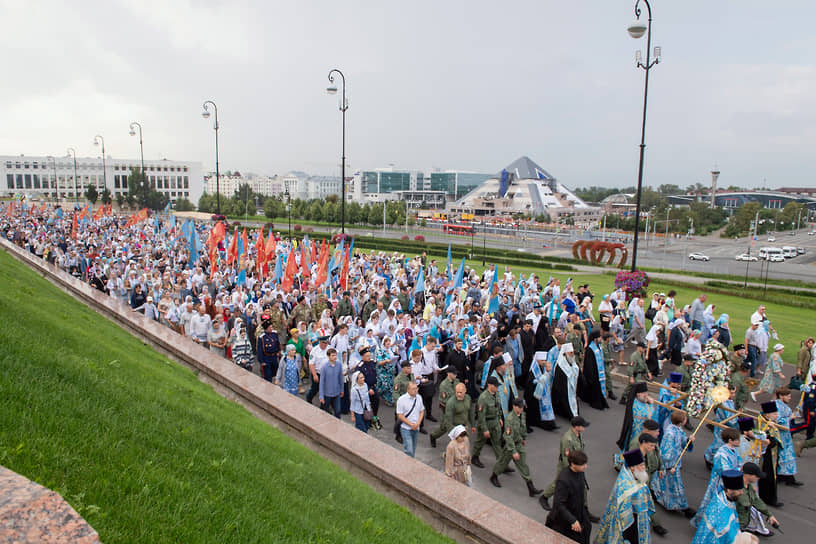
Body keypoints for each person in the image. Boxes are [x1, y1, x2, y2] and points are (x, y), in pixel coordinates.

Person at [595, 449, 655, 544]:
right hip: (630, 523)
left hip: (639, 518)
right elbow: (624, 514)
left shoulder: (638, 476)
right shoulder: (625, 486)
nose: (644, 468)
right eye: (641, 465)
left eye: (644, 465)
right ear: (632, 468)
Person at [489, 398, 543, 497]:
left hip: (518, 443)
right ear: (514, 406)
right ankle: (494, 476)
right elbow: (507, 436)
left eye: (522, 407)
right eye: (520, 407)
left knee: (523, 465)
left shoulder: (522, 415)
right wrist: (513, 451)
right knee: (502, 462)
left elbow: (523, 428)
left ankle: (531, 488)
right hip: (511, 445)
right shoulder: (509, 419)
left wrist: (523, 438)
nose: (522, 409)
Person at [693, 428, 743, 528]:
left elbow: (739, 462)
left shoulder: (733, 451)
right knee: (716, 504)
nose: (739, 441)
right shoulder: (721, 454)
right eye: (737, 439)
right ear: (730, 440)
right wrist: (739, 469)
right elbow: (725, 471)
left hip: (729, 482)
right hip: (720, 484)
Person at [691, 470, 758, 544]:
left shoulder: (727, 498)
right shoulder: (719, 510)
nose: (741, 493)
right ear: (729, 490)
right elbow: (720, 536)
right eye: (738, 490)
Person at [540, 416, 589, 512]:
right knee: (558, 484)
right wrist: (571, 471)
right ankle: (544, 497)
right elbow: (566, 457)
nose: (584, 427)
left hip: (578, 465)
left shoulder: (578, 435)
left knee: (583, 487)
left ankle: (585, 509)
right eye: (582, 426)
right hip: (568, 466)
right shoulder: (568, 439)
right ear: (576, 427)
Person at [653, 411, 697, 519]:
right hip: (670, 464)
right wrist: (670, 465)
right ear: (682, 421)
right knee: (673, 485)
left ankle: (678, 504)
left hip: (675, 463)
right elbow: (666, 452)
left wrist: (688, 440)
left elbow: (683, 443)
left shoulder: (678, 430)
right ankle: (681, 506)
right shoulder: (670, 433)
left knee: (674, 485)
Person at [544, 450, 592, 544]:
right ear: (573, 464)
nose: (585, 467)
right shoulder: (564, 480)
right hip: (564, 521)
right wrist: (572, 520)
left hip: (578, 512)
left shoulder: (580, 472)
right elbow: (559, 504)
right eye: (582, 464)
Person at [737, 462, 779, 538]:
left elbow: (756, 501)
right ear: (748, 475)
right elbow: (746, 502)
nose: (758, 478)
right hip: (734, 525)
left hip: (742, 524)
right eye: (756, 476)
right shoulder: (737, 489)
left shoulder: (749, 486)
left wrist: (769, 515)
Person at [471, 376, 504, 469]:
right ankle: (475, 457)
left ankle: (502, 463)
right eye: (495, 385)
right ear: (489, 385)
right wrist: (485, 429)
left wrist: (500, 418)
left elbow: (498, 407)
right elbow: (481, 416)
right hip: (486, 422)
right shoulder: (483, 398)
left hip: (495, 422)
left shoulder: (497, 393)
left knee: (497, 443)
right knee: (480, 442)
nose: (497, 387)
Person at [773, 386, 802, 487]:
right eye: (788, 396)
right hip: (781, 435)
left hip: (786, 435)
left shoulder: (783, 405)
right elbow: (778, 421)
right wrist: (790, 417)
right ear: (781, 396)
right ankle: (786, 477)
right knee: (782, 456)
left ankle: (786, 476)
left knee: (786, 456)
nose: (790, 398)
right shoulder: (777, 406)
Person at [616, 382, 655, 457]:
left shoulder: (643, 401)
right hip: (635, 431)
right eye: (644, 393)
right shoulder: (635, 403)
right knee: (634, 448)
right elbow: (648, 415)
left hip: (642, 430)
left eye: (647, 393)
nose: (646, 395)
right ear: (638, 394)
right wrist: (651, 405)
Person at [756, 401, 782, 507]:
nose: (777, 415)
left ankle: (769, 497)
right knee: (767, 475)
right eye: (774, 413)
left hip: (772, 454)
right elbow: (759, 436)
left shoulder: (769, 423)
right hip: (765, 455)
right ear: (767, 415)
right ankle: (768, 498)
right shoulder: (761, 424)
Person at [431, 382, 472, 448]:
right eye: (457, 392)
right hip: (453, 422)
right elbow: (448, 419)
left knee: (462, 444)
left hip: (463, 423)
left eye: (460, 392)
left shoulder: (468, 398)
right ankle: (433, 436)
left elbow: (469, 411)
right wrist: (453, 433)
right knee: (443, 429)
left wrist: (472, 424)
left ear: (465, 391)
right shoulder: (451, 402)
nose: (458, 394)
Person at [578, 329, 609, 410]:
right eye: (599, 337)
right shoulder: (590, 349)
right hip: (594, 373)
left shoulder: (599, 347)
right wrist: (591, 375)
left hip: (600, 372)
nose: (600, 339)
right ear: (595, 338)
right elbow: (589, 364)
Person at [526, 350, 557, 431]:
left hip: (543, 391)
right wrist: (537, 381)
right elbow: (530, 383)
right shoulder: (533, 370)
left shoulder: (542, 368)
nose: (543, 362)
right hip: (535, 393)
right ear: (537, 360)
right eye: (542, 360)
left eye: (544, 360)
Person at [552, 342, 580, 419]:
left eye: (573, 352)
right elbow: (558, 381)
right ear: (565, 353)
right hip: (563, 389)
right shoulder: (560, 365)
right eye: (570, 353)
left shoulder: (572, 361)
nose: (572, 354)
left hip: (571, 389)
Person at [396, 381, 425, 457]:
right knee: (409, 450)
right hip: (406, 428)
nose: (416, 390)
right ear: (408, 390)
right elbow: (399, 415)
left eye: (416, 388)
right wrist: (410, 424)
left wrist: (418, 423)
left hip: (416, 427)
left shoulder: (419, 398)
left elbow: (422, 411)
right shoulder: (401, 400)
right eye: (413, 389)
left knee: (413, 448)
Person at [393, 360, 416, 443]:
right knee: (400, 421)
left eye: (410, 367)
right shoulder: (398, 379)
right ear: (403, 368)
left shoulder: (411, 376)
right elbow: (396, 393)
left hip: (411, 401)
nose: (410, 369)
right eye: (408, 368)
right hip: (403, 403)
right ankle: (398, 435)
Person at [318, 348, 344, 418]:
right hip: (327, 393)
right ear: (328, 356)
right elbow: (322, 382)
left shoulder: (339, 365)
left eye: (335, 355)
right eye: (332, 355)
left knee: (338, 411)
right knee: (326, 411)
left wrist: (342, 390)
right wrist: (321, 395)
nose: (335, 357)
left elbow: (341, 378)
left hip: (336, 392)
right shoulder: (324, 367)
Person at [256, 317, 281, 382]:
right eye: (270, 327)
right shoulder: (262, 337)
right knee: (268, 375)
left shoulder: (274, 334)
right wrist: (261, 361)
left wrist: (278, 351)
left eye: (271, 327)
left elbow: (277, 343)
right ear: (266, 328)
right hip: (267, 358)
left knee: (276, 372)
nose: (271, 328)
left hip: (274, 356)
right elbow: (260, 350)